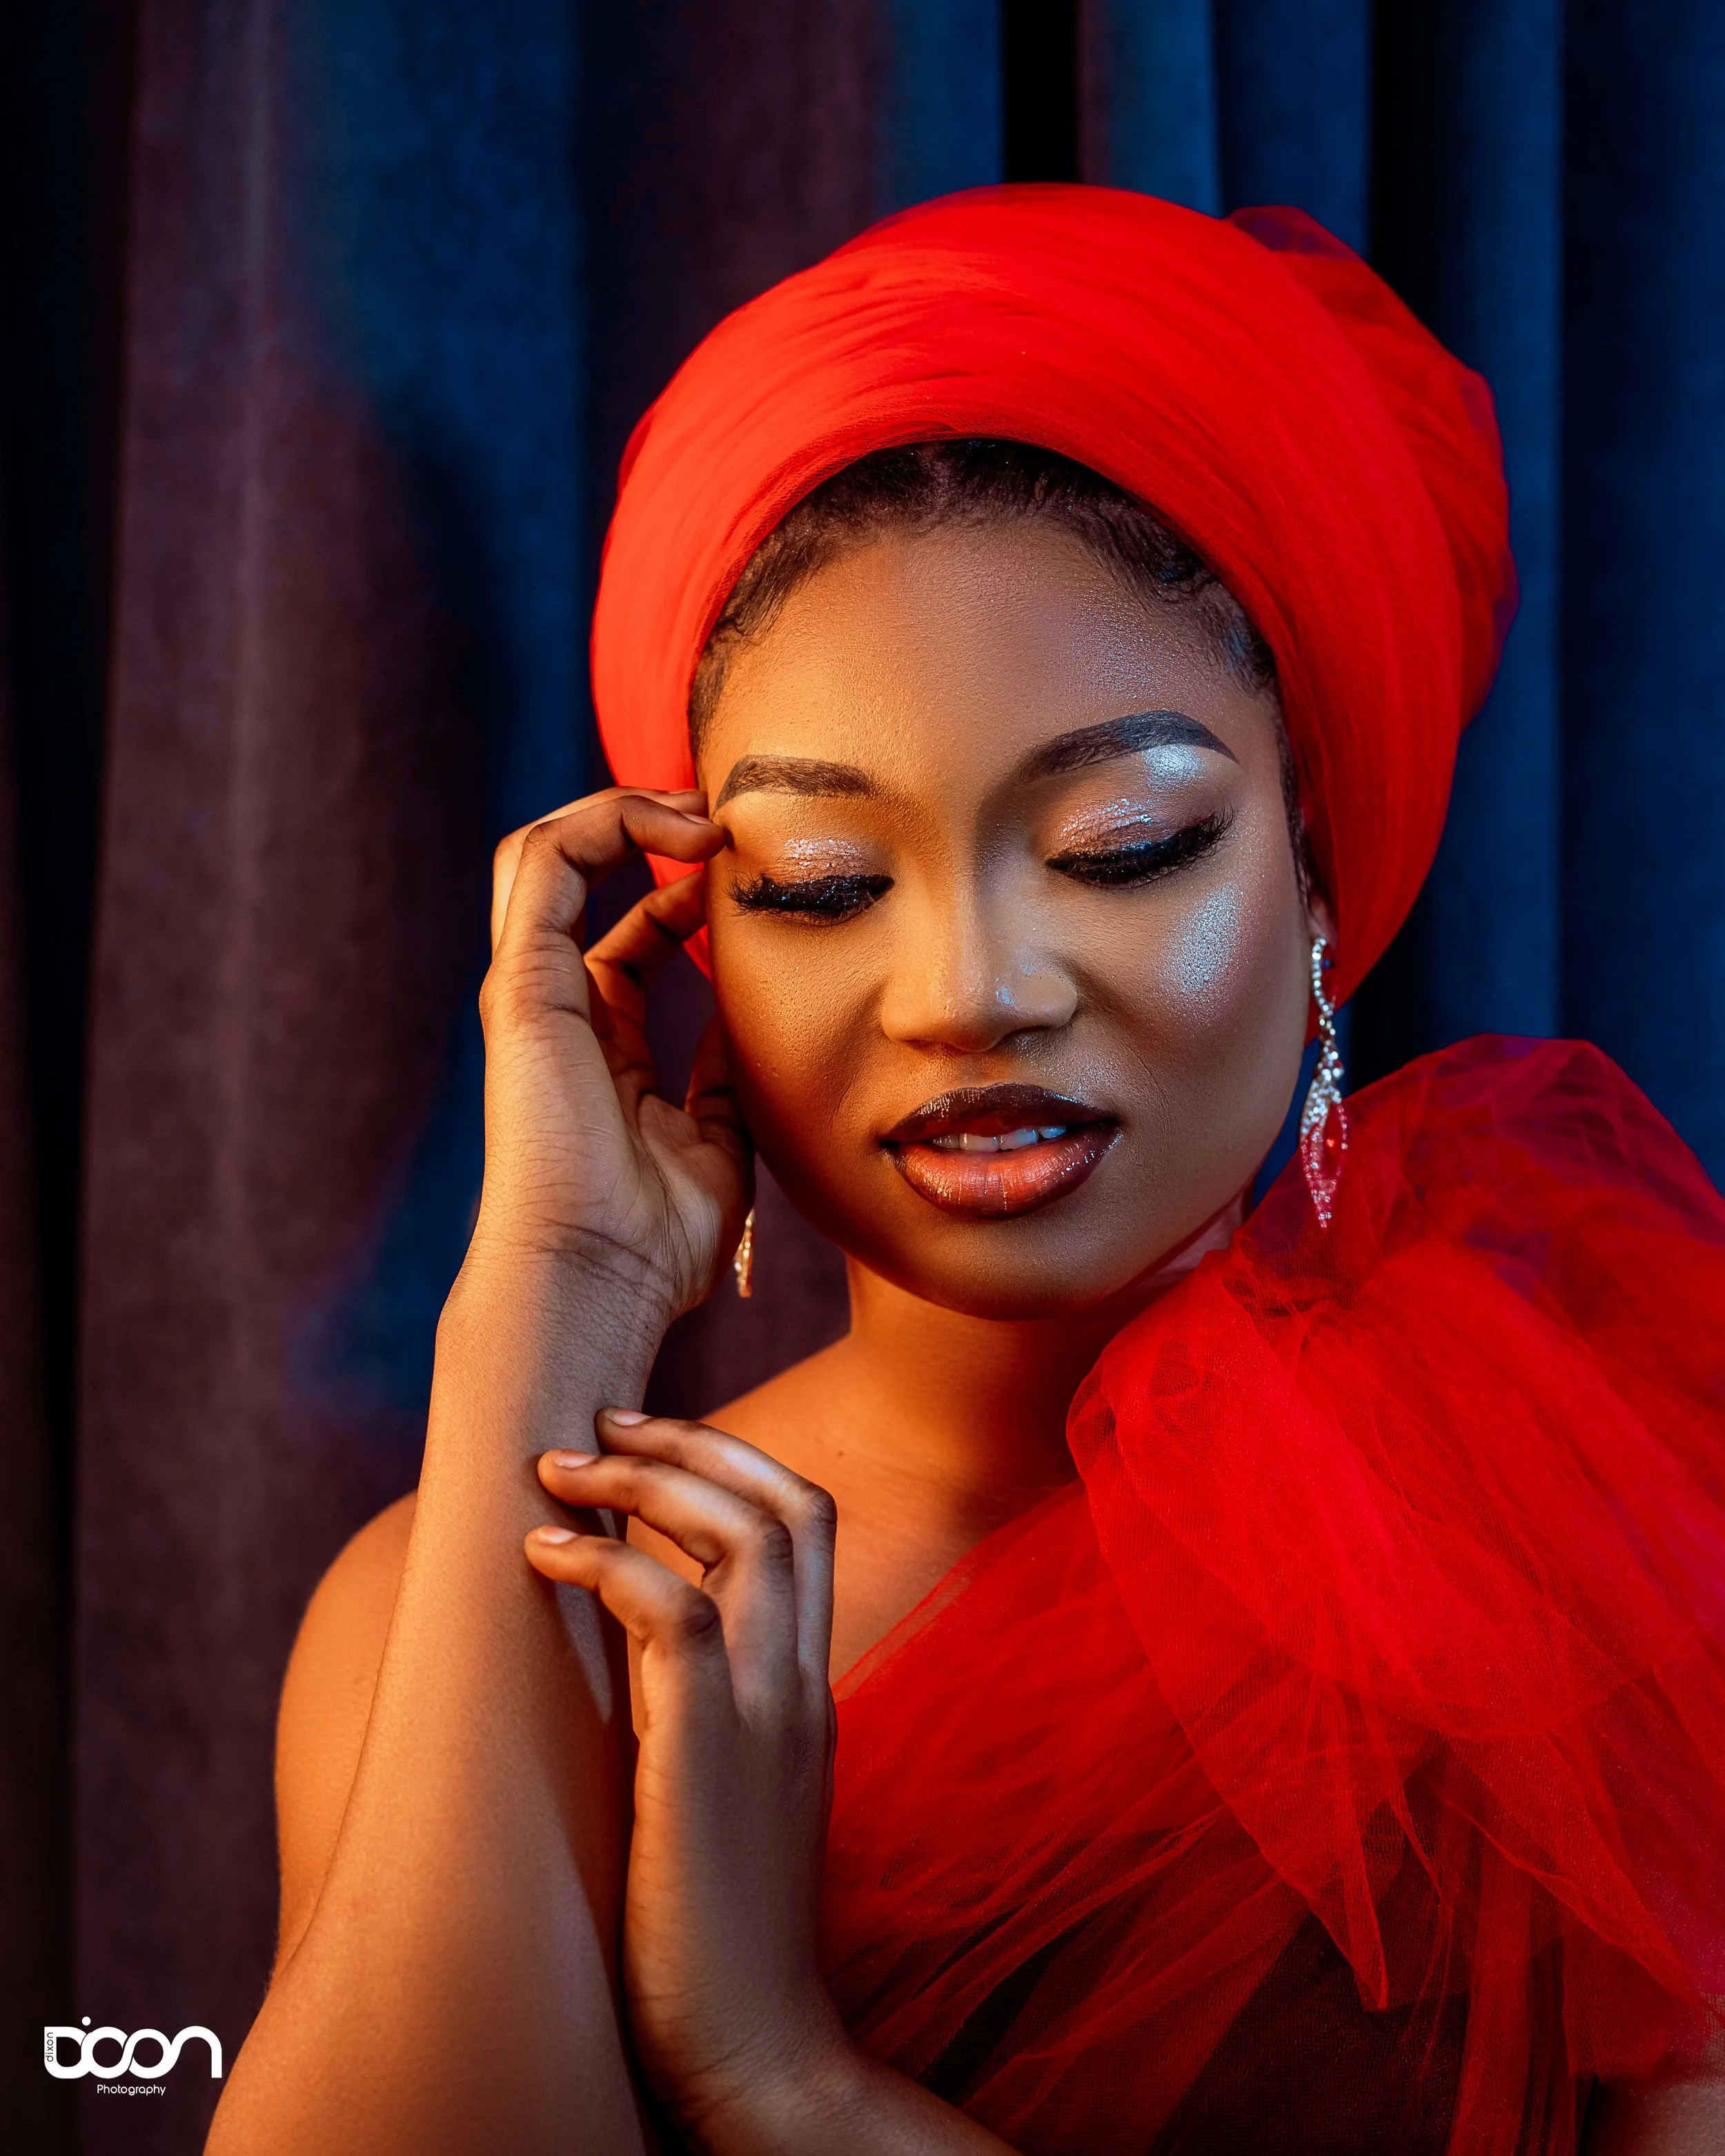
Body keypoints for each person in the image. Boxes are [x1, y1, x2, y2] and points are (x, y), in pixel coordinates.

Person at [210, 189, 1725, 2155]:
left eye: (1118, 845)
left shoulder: (1610, 1556)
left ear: (1316, 867)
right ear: (694, 931)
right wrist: (545, 1294)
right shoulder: (475, 1600)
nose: (969, 993)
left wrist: (794, 2081)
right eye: (823, 883)